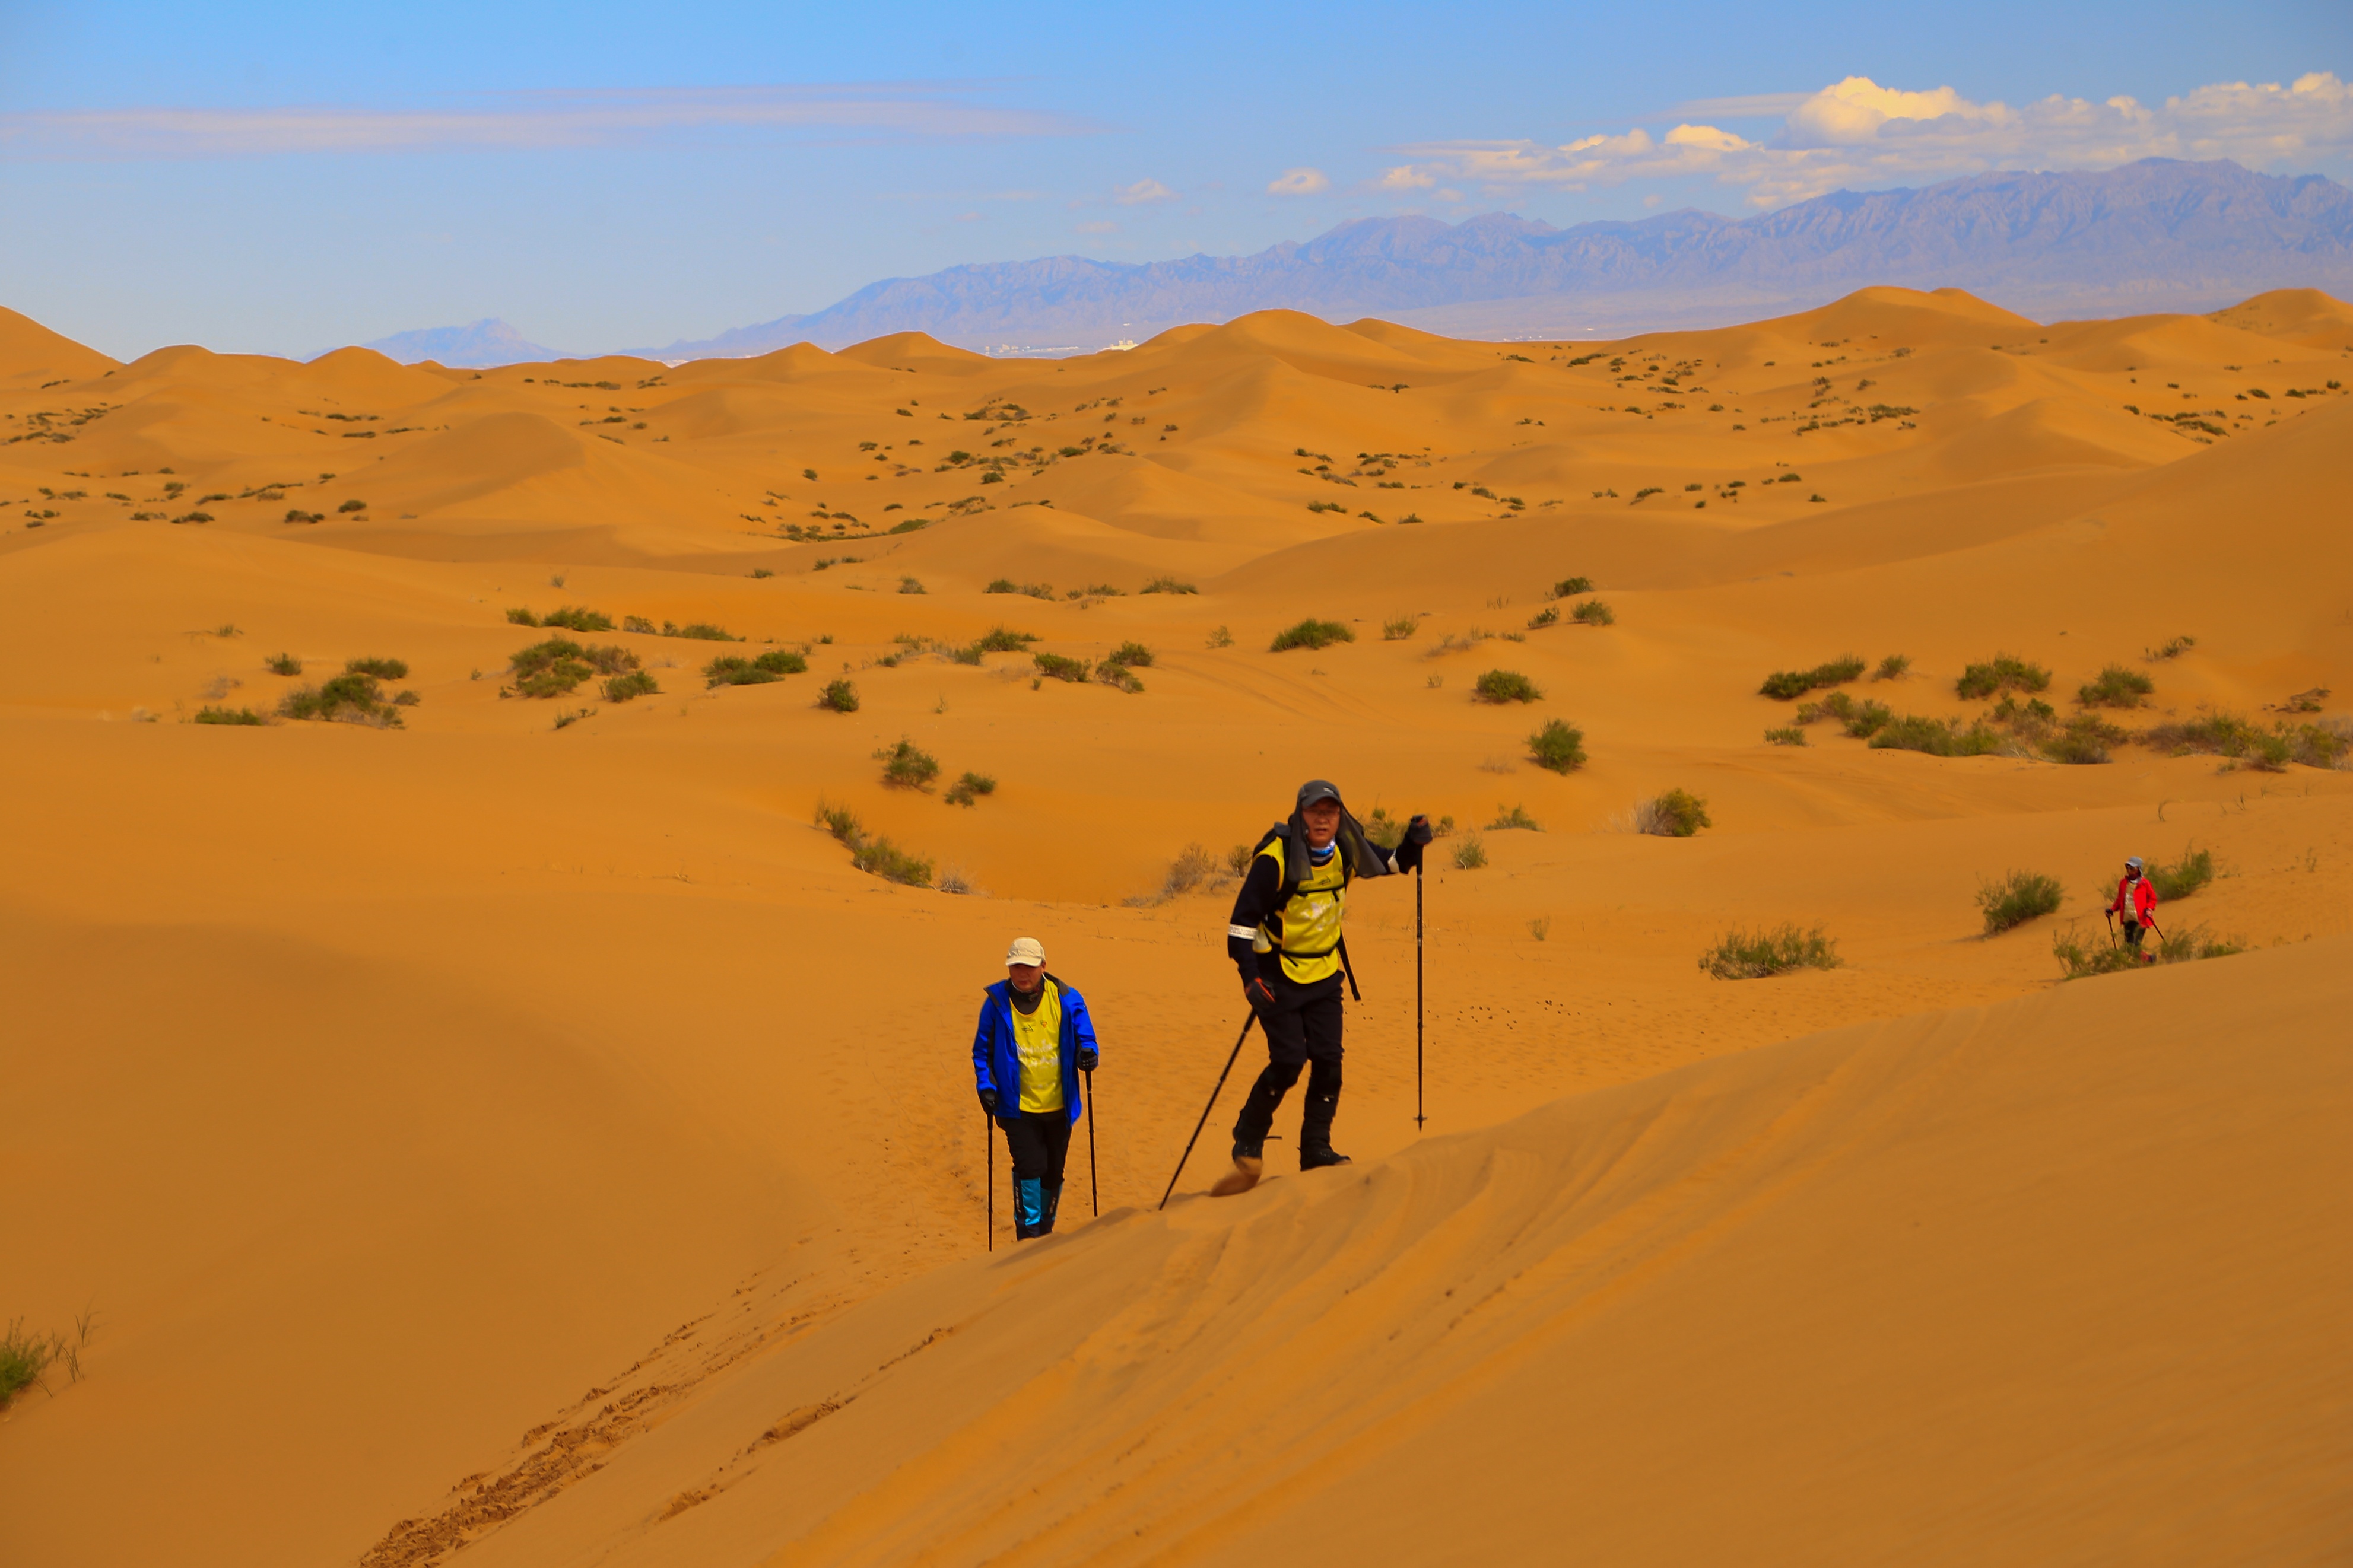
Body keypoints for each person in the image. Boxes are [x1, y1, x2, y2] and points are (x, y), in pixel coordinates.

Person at [1217, 780, 1430, 1194]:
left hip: (1325, 974)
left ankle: (1315, 1149)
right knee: (1289, 1062)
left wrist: (1412, 842)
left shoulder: (1346, 849)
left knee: (1329, 1064)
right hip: (1275, 975)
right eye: (1315, 811)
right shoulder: (1274, 860)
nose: (1322, 819)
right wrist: (1249, 978)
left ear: (1339, 817)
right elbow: (1240, 925)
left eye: (1330, 812)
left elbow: (1391, 862)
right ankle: (1248, 1133)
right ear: (1300, 814)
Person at [971, 936, 1099, 1239]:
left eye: (1029, 966)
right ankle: (1028, 1232)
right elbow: (982, 1051)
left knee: (1054, 1173)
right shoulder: (996, 1004)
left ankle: (1046, 1227)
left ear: (1043, 966)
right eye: (1016, 966)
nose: (1023, 973)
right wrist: (986, 1086)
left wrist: (1088, 1053)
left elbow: (1087, 1037)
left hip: (1060, 1106)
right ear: (1009, 968)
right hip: (1017, 1108)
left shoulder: (1066, 998)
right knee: (1031, 1168)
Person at [2111, 855, 2159, 963]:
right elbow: (2120, 900)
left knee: (2134, 946)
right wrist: (2112, 910)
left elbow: (2152, 899)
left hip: (2141, 919)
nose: (2129, 870)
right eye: (2127, 867)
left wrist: (2149, 909)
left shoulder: (2145, 883)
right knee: (2129, 947)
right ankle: (2147, 960)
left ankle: (2149, 960)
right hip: (2128, 919)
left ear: (2138, 869)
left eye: (2132, 868)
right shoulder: (2123, 883)